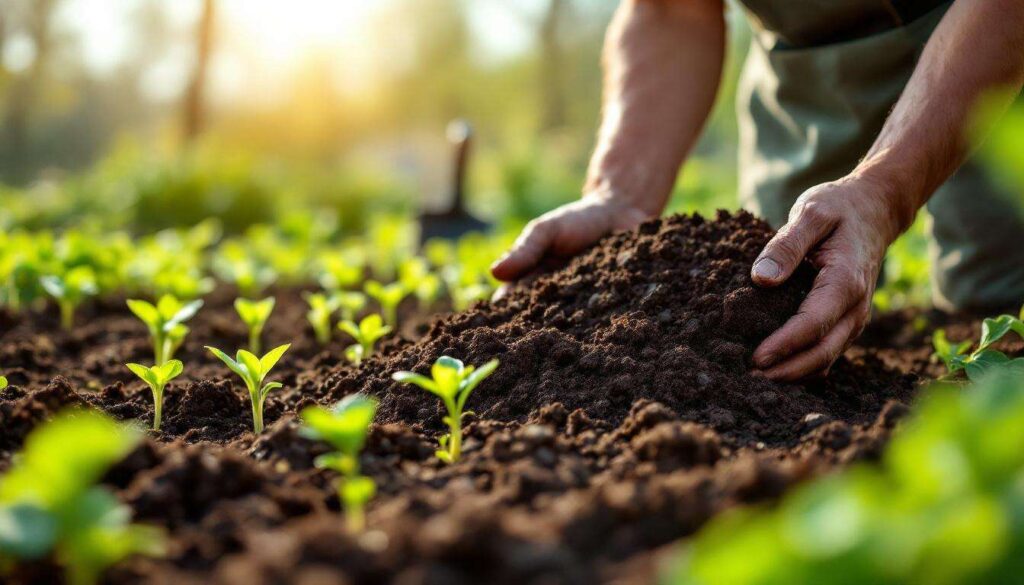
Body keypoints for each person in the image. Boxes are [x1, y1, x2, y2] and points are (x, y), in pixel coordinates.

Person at [490, 0, 1024, 382]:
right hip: (807, 59)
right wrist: (618, 192)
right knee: (774, 303)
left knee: (1000, 317)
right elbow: (672, 9)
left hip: (991, 43)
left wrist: (883, 192)